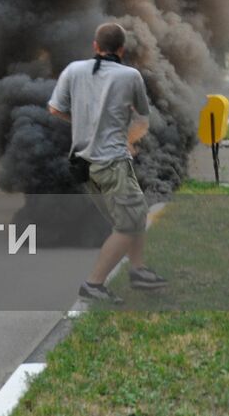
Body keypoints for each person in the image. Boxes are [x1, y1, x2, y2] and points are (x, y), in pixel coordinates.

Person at [48, 22, 169, 304]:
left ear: (95, 46)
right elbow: (142, 115)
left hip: (83, 164)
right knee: (129, 222)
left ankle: (138, 270)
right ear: (122, 49)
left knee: (129, 217)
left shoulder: (73, 70)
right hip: (112, 162)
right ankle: (94, 283)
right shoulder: (130, 76)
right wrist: (126, 137)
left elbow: (55, 108)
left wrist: (84, 122)